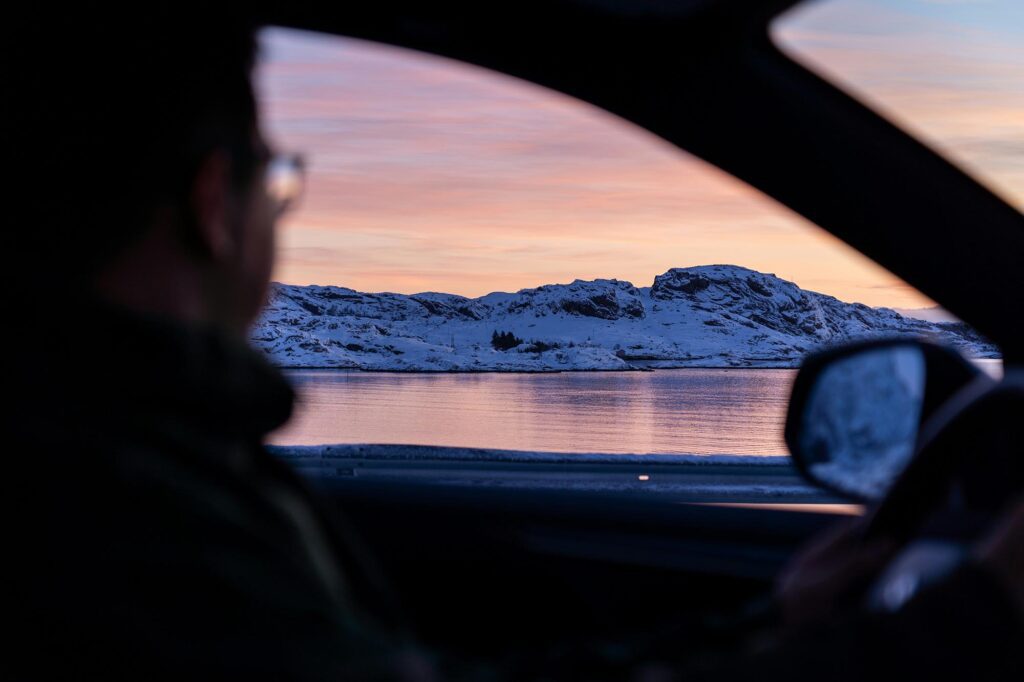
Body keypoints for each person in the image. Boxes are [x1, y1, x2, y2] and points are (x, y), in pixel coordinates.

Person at [5, 6, 1021, 682]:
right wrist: (969, 615)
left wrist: (774, 622)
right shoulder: (111, 500)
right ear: (215, 204)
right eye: (279, 187)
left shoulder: (105, 460)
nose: (279, 221)